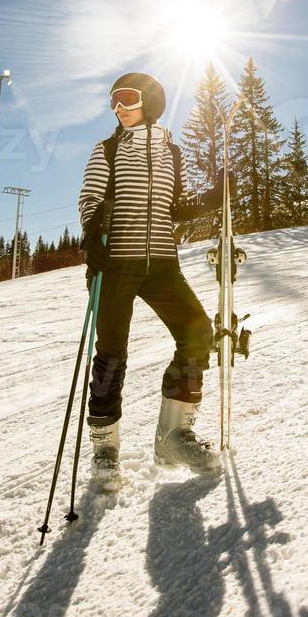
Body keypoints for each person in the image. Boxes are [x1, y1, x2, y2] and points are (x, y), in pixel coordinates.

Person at [78, 72, 234, 489]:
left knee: (198, 331)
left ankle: (173, 436)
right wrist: (92, 236)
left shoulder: (171, 152)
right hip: (117, 265)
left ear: (148, 100)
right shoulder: (107, 150)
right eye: (113, 102)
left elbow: (175, 207)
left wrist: (209, 198)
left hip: (163, 263)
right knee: (110, 353)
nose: (118, 108)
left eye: (126, 98)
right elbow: (90, 199)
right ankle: (105, 449)